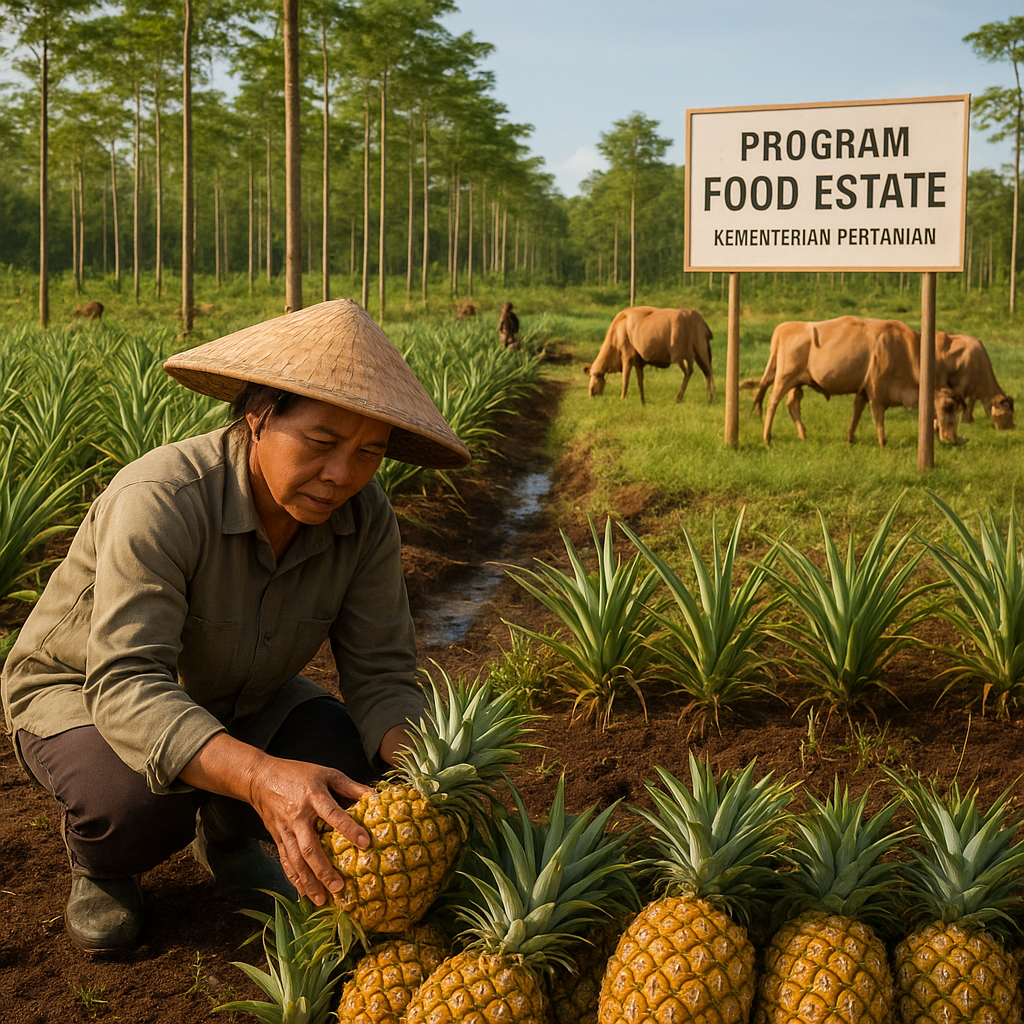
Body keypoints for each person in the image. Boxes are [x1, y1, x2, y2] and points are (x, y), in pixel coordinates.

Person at [1, 299, 471, 956]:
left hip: (241, 696)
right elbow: (127, 681)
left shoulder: (365, 517)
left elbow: (382, 671)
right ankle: (104, 867)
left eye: (370, 452)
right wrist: (258, 775)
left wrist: (431, 776)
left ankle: (223, 833)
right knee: (136, 799)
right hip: (87, 692)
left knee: (352, 779)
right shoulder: (162, 497)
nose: (342, 475)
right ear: (258, 417)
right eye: (322, 442)